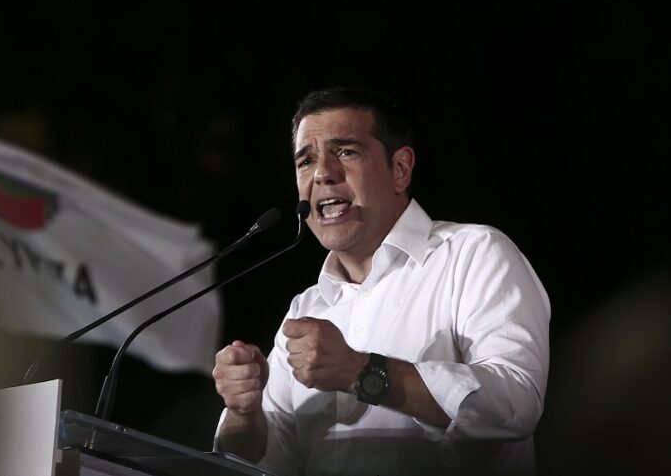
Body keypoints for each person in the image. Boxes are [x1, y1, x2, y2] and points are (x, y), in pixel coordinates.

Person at [211, 87, 550, 475]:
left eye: (345, 152)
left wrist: (362, 372)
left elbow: (515, 403)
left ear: (400, 169)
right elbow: (263, 463)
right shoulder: (306, 309)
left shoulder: (473, 254)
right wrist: (244, 413)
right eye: (306, 161)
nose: (322, 173)